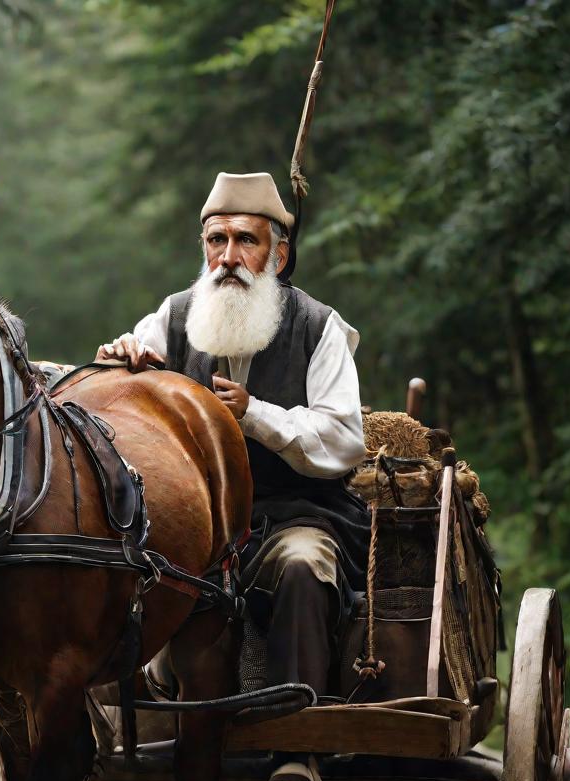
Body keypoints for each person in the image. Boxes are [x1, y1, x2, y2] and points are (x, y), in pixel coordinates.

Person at [96, 171, 370, 697]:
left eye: (247, 240)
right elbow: (115, 412)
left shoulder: (318, 327)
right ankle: (152, 709)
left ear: (279, 256)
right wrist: (117, 364)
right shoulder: (174, 318)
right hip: (192, 528)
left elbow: (344, 438)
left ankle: (296, 750)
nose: (227, 257)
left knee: (305, 565)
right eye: (217, 240)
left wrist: (254, 415)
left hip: (293, 519)